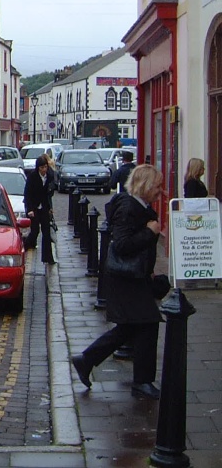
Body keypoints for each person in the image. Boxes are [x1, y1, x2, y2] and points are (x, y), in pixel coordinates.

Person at [72, 164, 165, 400]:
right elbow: (123, 245)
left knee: (132, 326)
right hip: (126, 279)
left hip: (133, 277)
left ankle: (87, 360)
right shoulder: (128, 208)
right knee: (147, 322)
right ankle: (142, 382)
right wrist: (150, 232)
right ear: (145, 185)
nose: (161, 191)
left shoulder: (139, 206)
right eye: (157, 186)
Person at [24, 155, 55, 264]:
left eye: (45, 167)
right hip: (34, 208)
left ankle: (48, 258)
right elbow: (27, 194)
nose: (44, 170)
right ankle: (23, 248)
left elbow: (49, 194)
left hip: (44, 208)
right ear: (38, 168)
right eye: (41, 168)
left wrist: (50, 208)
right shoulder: (32, 177)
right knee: (35, 232)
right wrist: (30, 209)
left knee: (46, 233)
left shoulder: (49, 177)